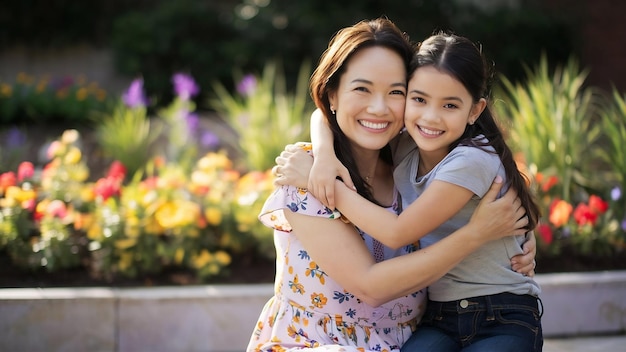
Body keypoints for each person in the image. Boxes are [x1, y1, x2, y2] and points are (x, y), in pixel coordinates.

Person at [246, 19, 534, 352]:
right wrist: (324, 157)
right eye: (362, 89)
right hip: (321, 343)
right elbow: (371, 286)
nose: (379, 108)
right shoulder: (308, 175)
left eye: (395, 92)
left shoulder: (410, 163)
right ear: (333, 93)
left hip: (417, 338)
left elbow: (493, 191)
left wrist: (520, 241)